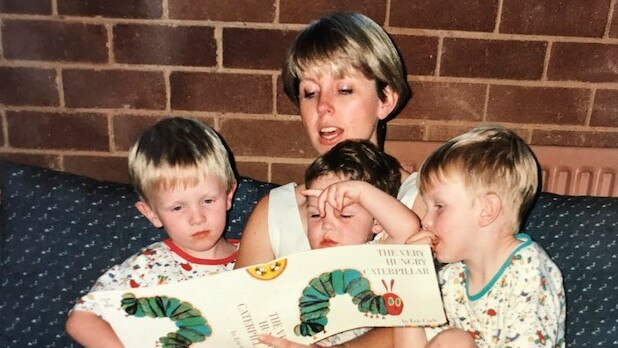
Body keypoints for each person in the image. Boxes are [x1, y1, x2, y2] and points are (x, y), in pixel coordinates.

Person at [236, 11, 420, 274]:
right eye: (309, 93)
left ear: (386, 100)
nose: (323, 107)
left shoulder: (423, 198)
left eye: (344, 90)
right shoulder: (276, 211)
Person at [65, 117, 239, 347]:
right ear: (151, 214)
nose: (197, 218)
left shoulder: (258, 253)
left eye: (208, 200)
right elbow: (81, 320)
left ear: (228, 195)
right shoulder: (148, 265)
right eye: (178, 207)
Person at [395, 125, 566, 347]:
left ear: (486, 210)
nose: (425, 221)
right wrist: (410, 282)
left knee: (453, 341)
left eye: (439, 206)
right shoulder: (452, 279)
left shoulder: (528, 272)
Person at [293, 139, 431, 346]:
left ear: (377, 222)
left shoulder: (377, 253)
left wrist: (360, 191)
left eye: (345, 215)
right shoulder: (300, 259)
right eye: (315, 215)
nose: (327, 225)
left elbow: (407, 227)